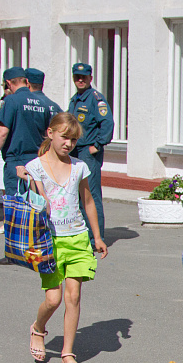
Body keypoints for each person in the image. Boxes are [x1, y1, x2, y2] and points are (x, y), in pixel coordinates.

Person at [20, 112, 108, 363]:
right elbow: (39, 200)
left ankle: (67, 352)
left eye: (73, 140)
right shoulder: (35, 166)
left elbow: (88, 201)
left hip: (78, 237)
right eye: (64, 137)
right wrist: (33, 187)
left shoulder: (80, 166)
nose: (68, 144)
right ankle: (38, 328)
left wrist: (98, 236)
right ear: (50, 133)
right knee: (53, 299)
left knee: (73, 296)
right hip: (49, 240)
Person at [0, 67, 57, 264]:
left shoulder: (11, 100)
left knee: (14, 206)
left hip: (16, 159)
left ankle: (13, 254)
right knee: (36, 205)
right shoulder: (43, 102)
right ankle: (39, 250)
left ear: (8, 83)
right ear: (25, 81)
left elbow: (2, 132)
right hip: (36, 159)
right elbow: (47, 133)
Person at [67, 63, 113, 243]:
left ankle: (96, 238)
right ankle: (84, 233)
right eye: (77, 77)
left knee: (91, 195)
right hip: (76, 151)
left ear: (90, 78)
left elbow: (107, 123)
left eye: (83, 77)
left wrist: (98, 144)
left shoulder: (95, 99)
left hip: (88, 152)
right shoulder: (76, 98)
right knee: (78, 194)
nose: (80, 80)